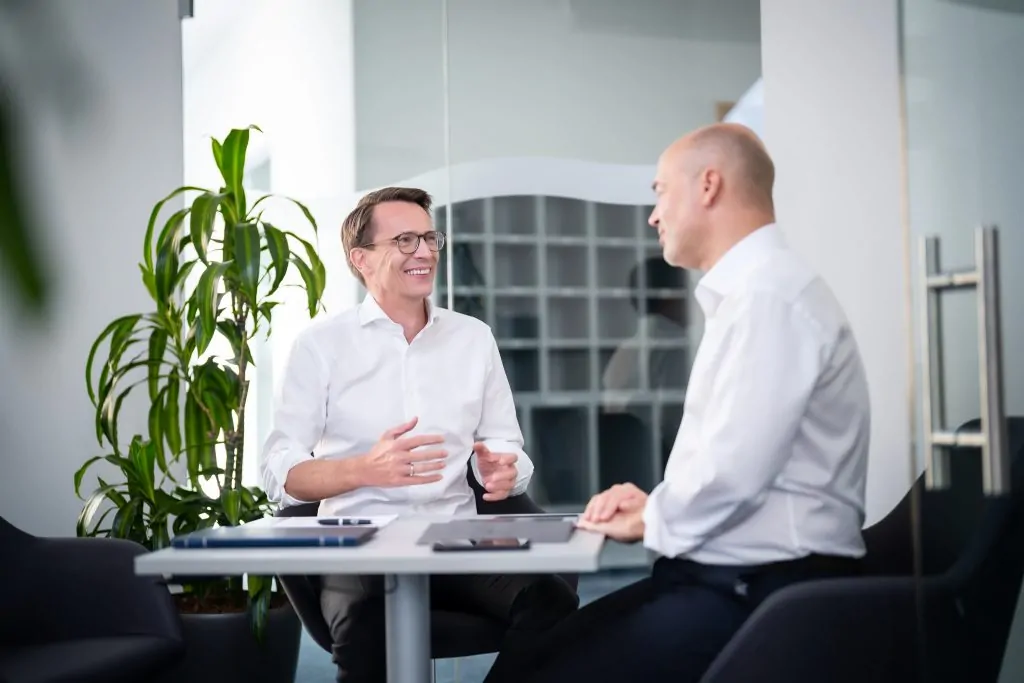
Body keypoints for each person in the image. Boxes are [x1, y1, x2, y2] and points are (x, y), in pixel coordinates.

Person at [484, 123, 872, 683]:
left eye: (661, 191)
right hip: (731, 576)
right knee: (532, 658)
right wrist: (655, 506)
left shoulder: (769, 298)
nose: (653, 215)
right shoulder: (754, 294)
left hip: (762, 591)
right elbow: (732, 462)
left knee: (536, 673)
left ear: (708, 186)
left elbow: (733, 473)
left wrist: (652, 516)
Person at [259, 186, 579, 683]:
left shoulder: (473, 337)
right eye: (405, 240)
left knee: (550, 602)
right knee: (366, 626)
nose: (425, 252)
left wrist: (502, 470)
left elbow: (505, 444)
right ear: (361, 259)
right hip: (357, 547)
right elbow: (279, 471)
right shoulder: (320, 344)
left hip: (454, 540)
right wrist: (364, 470)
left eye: (430, 238)